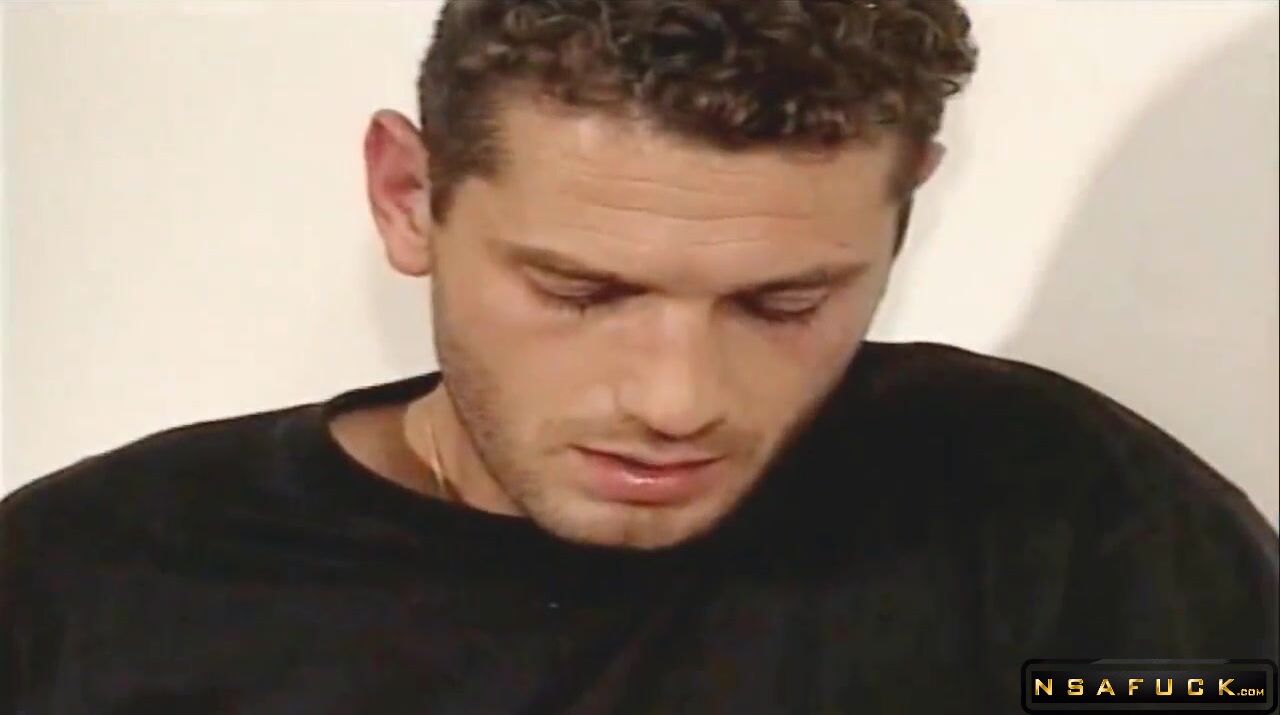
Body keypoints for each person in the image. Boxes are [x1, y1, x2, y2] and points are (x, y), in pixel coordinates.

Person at [2, 0, 1276, 712]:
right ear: (407, 197)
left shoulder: (1054, 523)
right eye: (579, 292)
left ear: (903, 211)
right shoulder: (81, 593)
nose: (676, 400)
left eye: (783, 302)